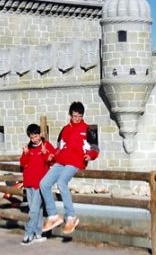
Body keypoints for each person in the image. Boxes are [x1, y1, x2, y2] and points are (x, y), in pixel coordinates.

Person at [40, 101, 99, 235]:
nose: (76, 118)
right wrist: (52, 156)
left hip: (76, 161)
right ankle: (53, 216)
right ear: (70, 115)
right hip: (61, 161)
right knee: (44, 184)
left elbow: (95, 148)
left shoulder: (89, 129)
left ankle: (71, 217)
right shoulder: (65, 129)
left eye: (79, 116)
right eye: (74, 116)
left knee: (61, 182)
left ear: (82, 115)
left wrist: (90, 155)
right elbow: (59, 147)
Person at [19, 123, 55, 245]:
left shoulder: (47, 145)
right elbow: (23, 163)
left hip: (40, 184)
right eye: (31, 137)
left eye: (35, 136)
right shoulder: (28, 147)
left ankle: (28, 235)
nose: (34, 139)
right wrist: (25, 153)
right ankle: (38, 234)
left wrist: (45, 153)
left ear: (40, 134)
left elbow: (53, 160)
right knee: (36, 209)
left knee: (33, 210)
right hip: (28, 182)